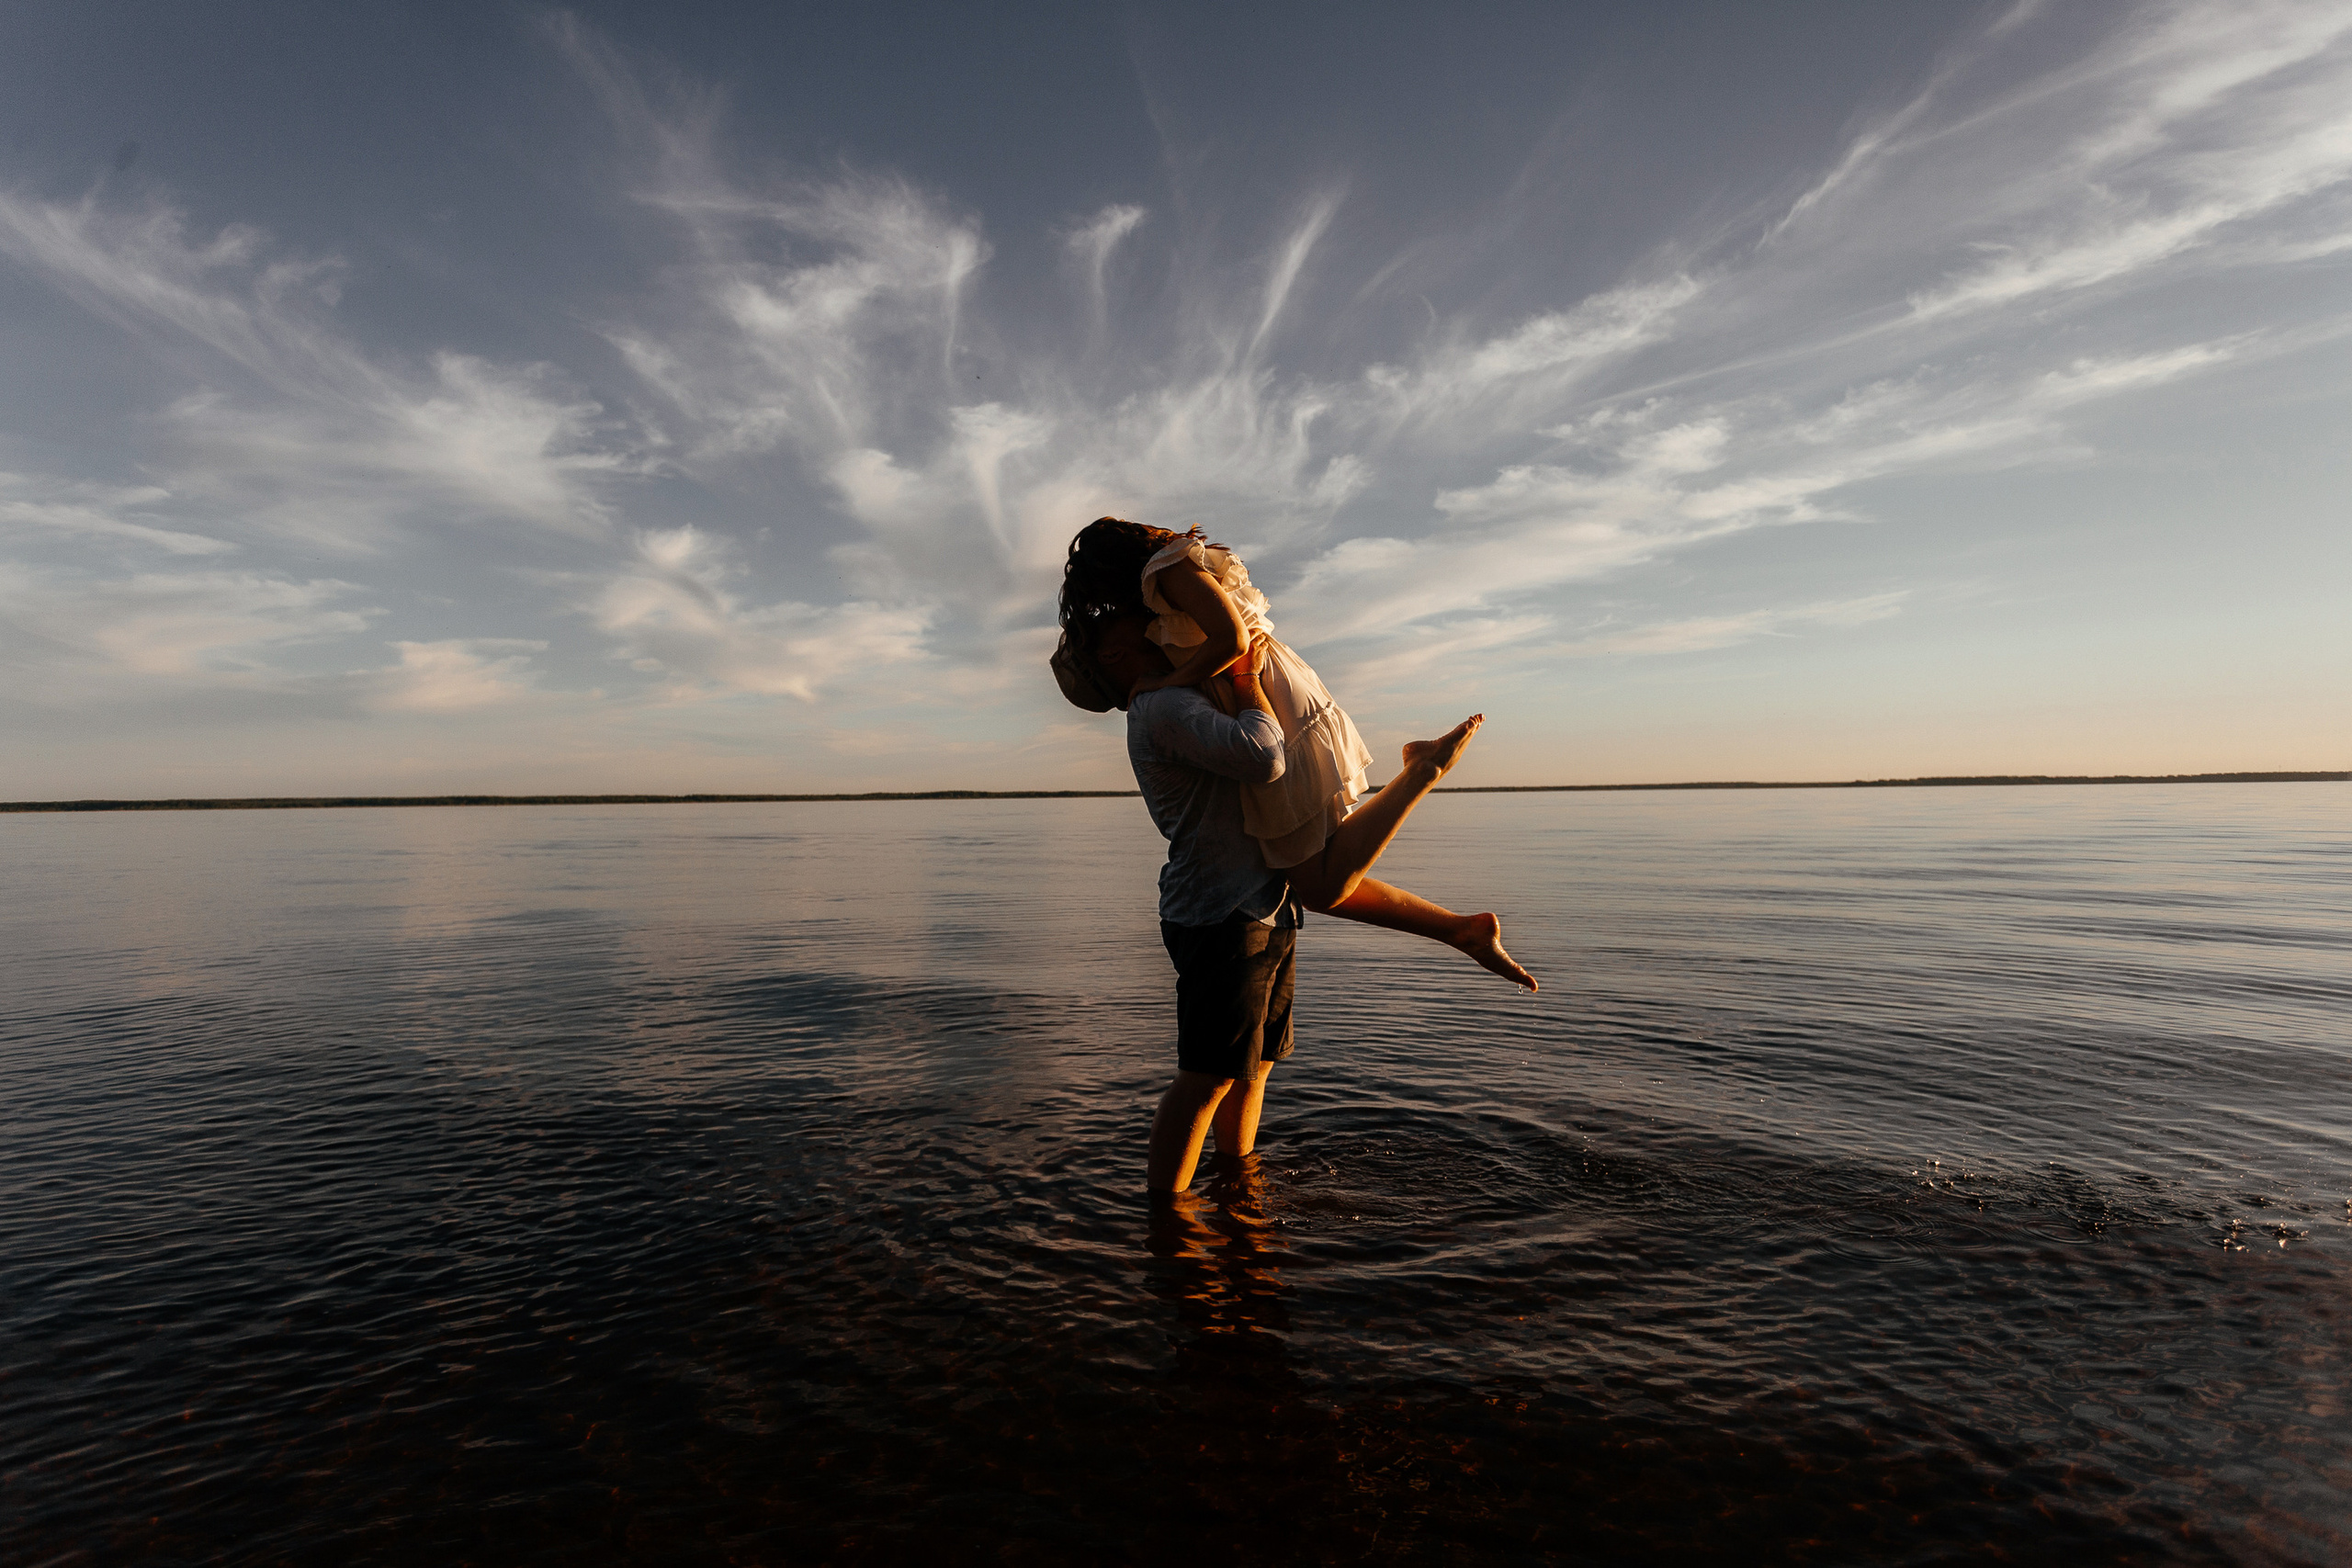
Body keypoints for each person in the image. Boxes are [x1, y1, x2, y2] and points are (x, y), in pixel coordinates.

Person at [1052, 535, 1533, 1195]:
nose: (1150, 621)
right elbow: (1263, 755)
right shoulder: (1163, 704)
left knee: (1251, 1069)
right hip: (1221, 912)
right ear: (1112, 653)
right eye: (1134, 625)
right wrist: (1248, 682)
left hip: (1261, 903)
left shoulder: (1179, 690)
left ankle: (1236, 1188)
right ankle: (1167, 1225)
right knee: (1207, 1074)